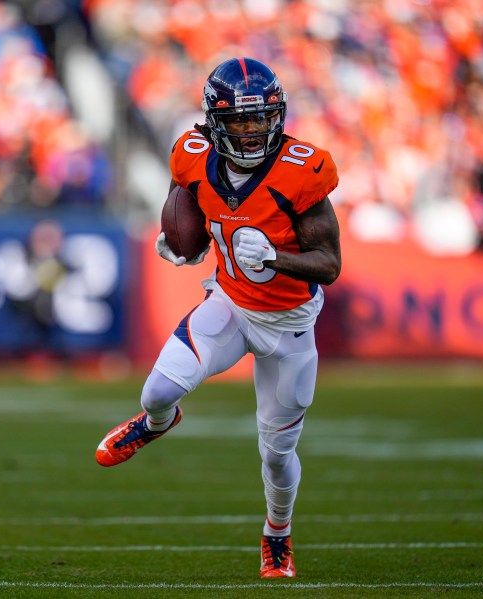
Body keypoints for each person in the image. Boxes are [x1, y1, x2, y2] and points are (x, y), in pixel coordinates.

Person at [95, 57, 341, 579]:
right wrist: (182, 242)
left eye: (260, 119)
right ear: (214, 121)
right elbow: (187, 202)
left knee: (276, 455)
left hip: (289, 326)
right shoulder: (191, 153)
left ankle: (277, 535)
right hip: (229, 304)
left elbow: (330, 264)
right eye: (238, 121)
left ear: (277, 117)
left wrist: (274, 258)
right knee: (155, 394)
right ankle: (157, 425)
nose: (251, 132)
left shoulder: (303, 170)